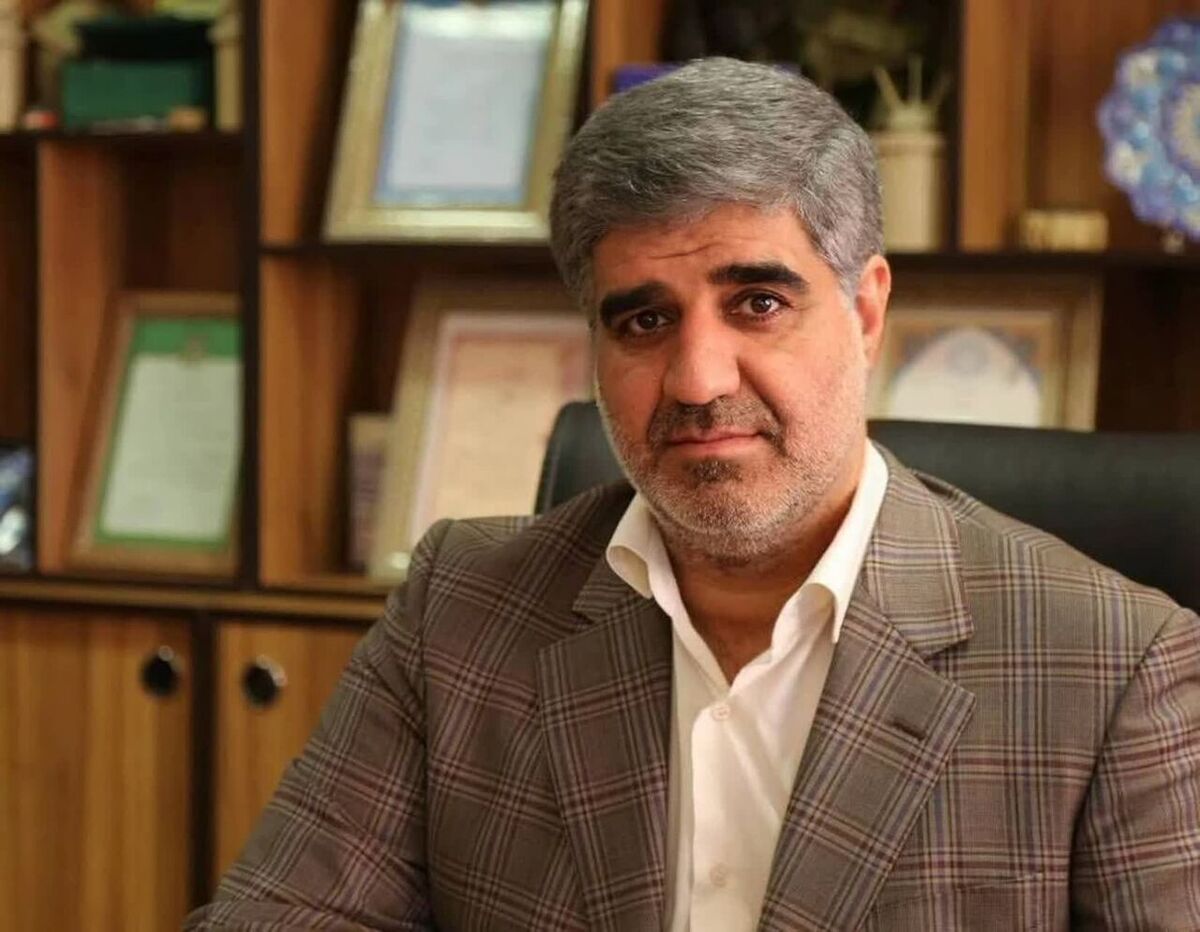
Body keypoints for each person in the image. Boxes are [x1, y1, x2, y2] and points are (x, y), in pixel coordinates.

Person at [187, 58, 1200, 931]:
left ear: (865, 312)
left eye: (757, 302)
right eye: (644, 320)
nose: (698, 378)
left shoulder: (1113, 665)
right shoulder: (462, 610)